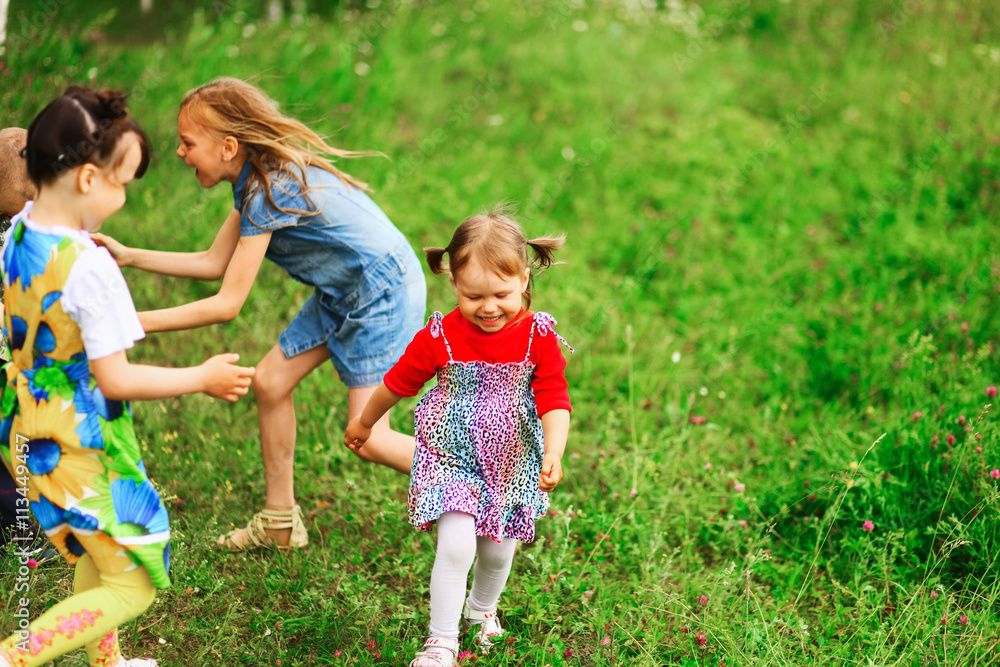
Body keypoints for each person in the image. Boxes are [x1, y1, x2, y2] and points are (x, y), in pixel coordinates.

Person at [92, 78, 426, 551]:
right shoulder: (257, 177)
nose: (181, 153)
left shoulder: (270, 189)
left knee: (369, 438)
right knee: (270, 382)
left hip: (381, 292)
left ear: (228, 147)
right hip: (345, 289)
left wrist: (131, 323)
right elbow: (213, 263)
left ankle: (484, 489)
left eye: (188, 143)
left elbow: (227, 305)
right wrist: (129, 255)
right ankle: (279, 523)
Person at [0, 87, 255, 667]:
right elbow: (115, 379)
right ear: (88, 179)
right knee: (131, 582)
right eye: (122, 181)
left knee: (100, 542)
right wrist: (202, 376)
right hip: (78, 436)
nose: (122, 196)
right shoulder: (89, 267)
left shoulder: (17, 234)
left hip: (30, 426)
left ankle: (106, 661)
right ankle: (15, 656)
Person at [344, 205, 573, 667]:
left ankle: (481, 610)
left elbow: (553, 397)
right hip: (450, 455)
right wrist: (366, 422)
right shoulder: (442, 335)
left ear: (524, 279)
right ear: (453, 284)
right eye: (473, 297)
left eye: (501, 294)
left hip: (511, 462)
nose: (488, 308)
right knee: (456, 544)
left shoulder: (536, 337)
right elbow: (399, 381)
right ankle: (441, 642)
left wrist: (553, 450)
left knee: (496, 552)